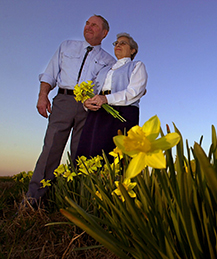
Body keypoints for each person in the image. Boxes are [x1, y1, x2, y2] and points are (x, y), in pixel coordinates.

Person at [26, 15, 116, 206]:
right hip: (63, 101)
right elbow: (50, 72)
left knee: (81, 154)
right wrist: (43, 96)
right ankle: (33, 201)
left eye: (94, 25)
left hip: (90, 107)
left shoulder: (108, 60)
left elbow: (100, 85)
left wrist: (89, 101)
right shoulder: (67, 46)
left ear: (104, 33)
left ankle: (75, 204)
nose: (88, 27)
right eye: (87, 23)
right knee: (50, 149)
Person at [76, 32, 148, 161]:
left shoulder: (137, 66)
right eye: (116, 43)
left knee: (115, 153)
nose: (118, 45)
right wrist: (87, 103)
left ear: (132, 50)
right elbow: (94, 90)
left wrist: (106, 99)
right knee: (91, 150)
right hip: (98, 112)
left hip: (123, 112)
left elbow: (134, 92)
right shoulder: (104, 69)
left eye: (123, 43)